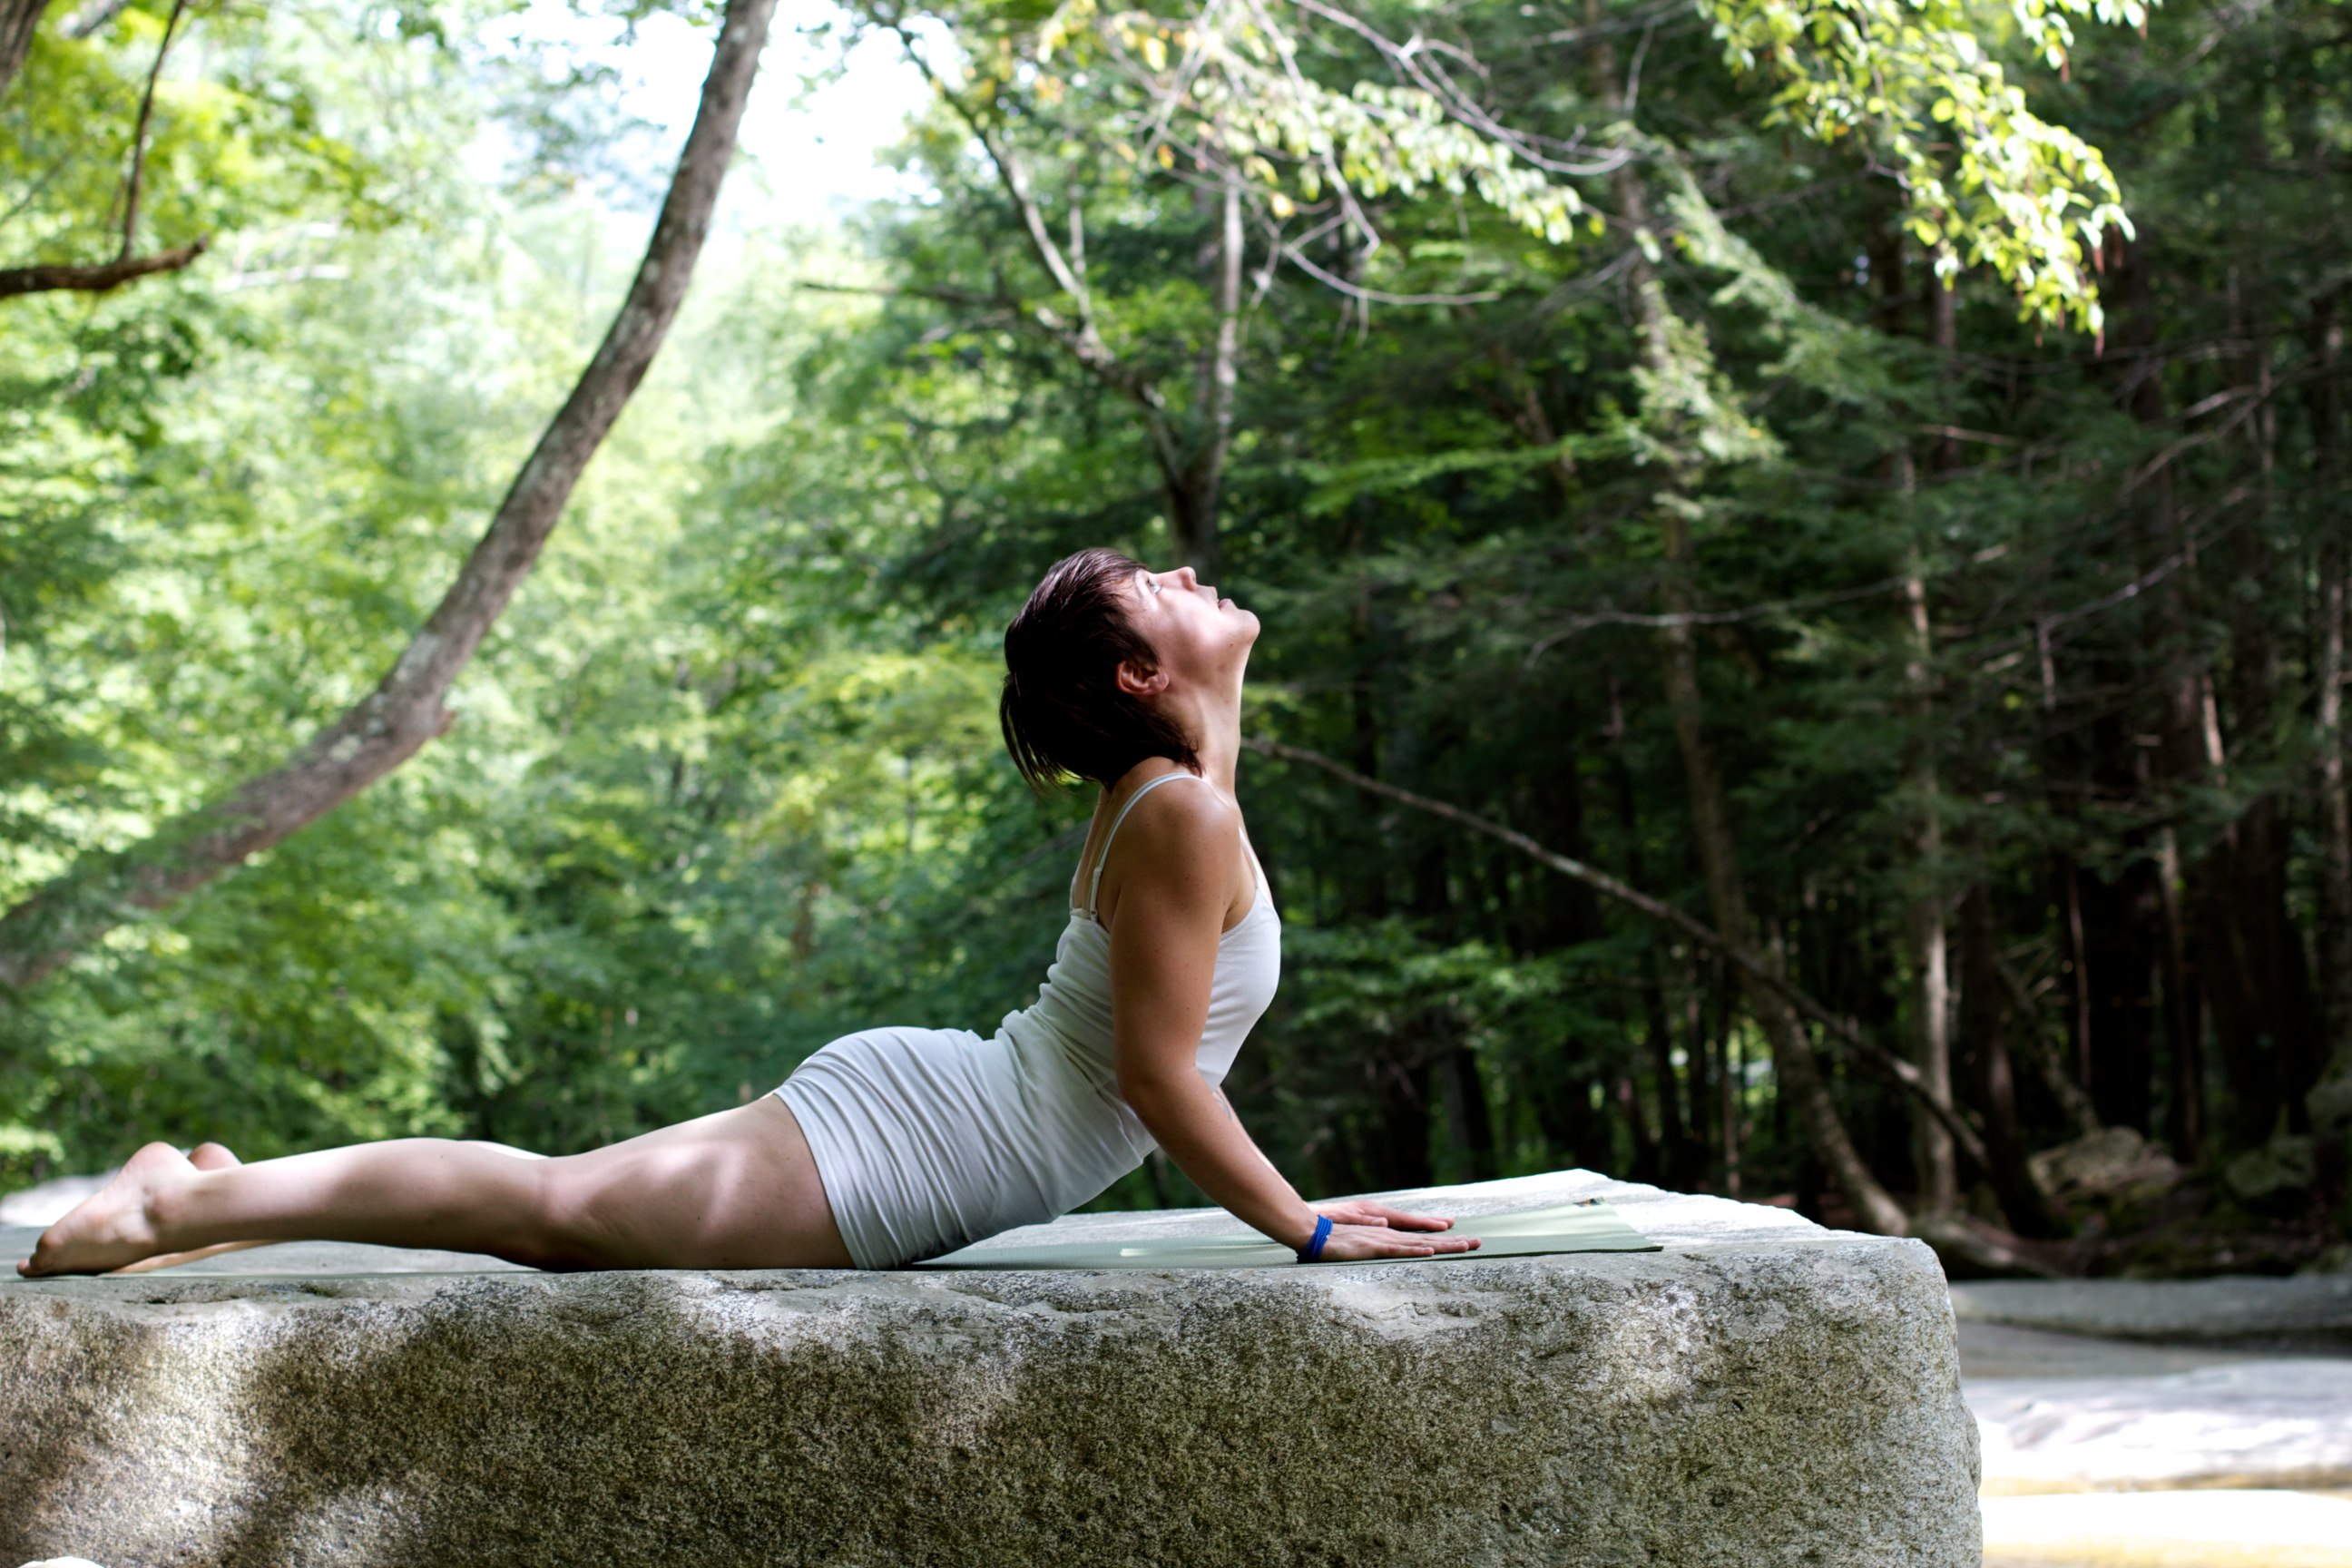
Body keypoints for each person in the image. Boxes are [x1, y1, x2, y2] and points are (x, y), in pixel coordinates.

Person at [16, 549, 1475, 1278]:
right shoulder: (1182, 808)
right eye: (1157, 589)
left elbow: (1185, 932)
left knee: (557, 1195)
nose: (1186, 575)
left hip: (940, 1108)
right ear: (1136, 684)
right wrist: (1306, 1227)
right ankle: (176, 1203)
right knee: (552, 1211)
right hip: (925, 1140)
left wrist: (1212, 711)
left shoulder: (1177, 793)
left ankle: (227, 1192)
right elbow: (1161, 1075)